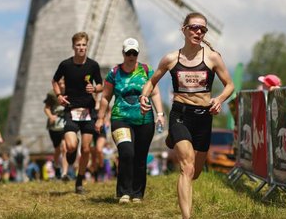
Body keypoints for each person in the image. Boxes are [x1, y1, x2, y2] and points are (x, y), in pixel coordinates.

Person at [139, 12, 234, 218]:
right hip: (180, 114)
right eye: (194, 27)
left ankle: (176, 139)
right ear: (184, 29)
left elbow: (230, 85)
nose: (198, 31)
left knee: (196, 173)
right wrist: (144, 96)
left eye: (203, 29)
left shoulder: (212, 58)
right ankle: (186, 217)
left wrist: (218, 100)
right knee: (187, 168)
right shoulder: (171, 59)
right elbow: (151, 81)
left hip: (203, 117)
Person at [96, 37, 165, 203]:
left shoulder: (147, 71)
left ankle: (137, 193)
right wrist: (100, 118)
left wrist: (160, 114)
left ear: (138, 54)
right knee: (127, 152)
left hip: (144, 119)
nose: (131, 56)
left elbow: (154, 93)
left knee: (140, 157)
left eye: (134, 53)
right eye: (128, 53)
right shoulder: (114, 73)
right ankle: (124, 192)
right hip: (121, 119)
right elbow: (105, 97)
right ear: (123, 53)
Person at [52, 31, 103, 194]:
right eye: (78, 45)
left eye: (83, 45)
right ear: (73, 47)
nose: (81, 48)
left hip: (88, 111)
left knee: (87, 149)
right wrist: (59, 95)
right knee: (71, 145)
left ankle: (79, 181)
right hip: (71, 109)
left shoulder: (93, 65)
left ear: (87, 46)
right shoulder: (65, 65)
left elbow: (101, 85)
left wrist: (95, 88)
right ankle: (71, 155)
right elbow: (54, 80)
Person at [43, 88, 68, 180]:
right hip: (54, 126)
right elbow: (46, 108)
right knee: (57, 149)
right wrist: (50, 116)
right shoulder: (51, 94)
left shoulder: (69, 90)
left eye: (63, 83)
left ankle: (64, 173)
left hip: (65, 124)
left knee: (64, 147)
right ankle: (56, 165)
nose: (62, 85)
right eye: (60, 83)